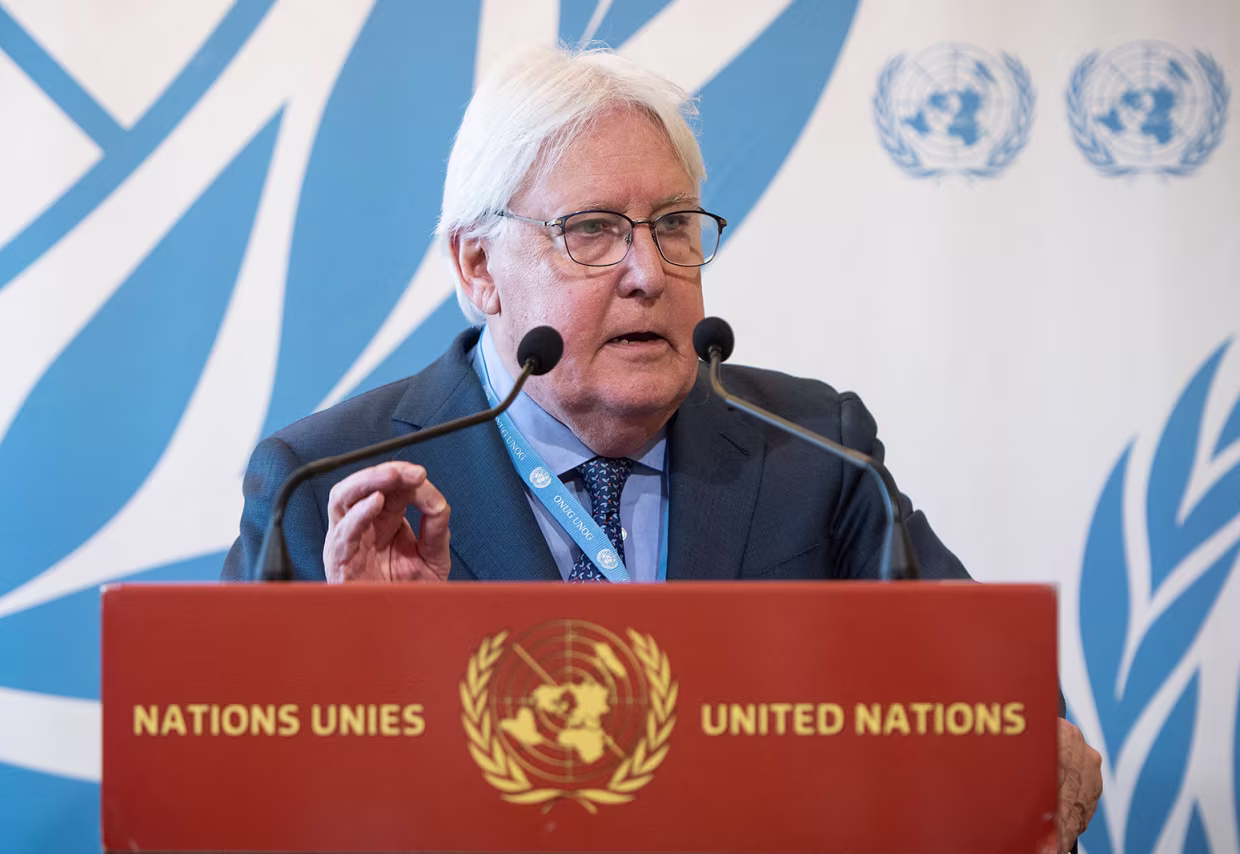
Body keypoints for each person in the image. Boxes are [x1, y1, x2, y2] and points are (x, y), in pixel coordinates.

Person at [221, 45, 1100, 850]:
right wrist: (369, 676)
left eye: (674, 225)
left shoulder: (810, 450)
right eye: (592, 231)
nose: (647, 272)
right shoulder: (331, 489)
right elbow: (225, 808)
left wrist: (1018, 763)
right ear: (478, 267)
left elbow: (1004, 707)